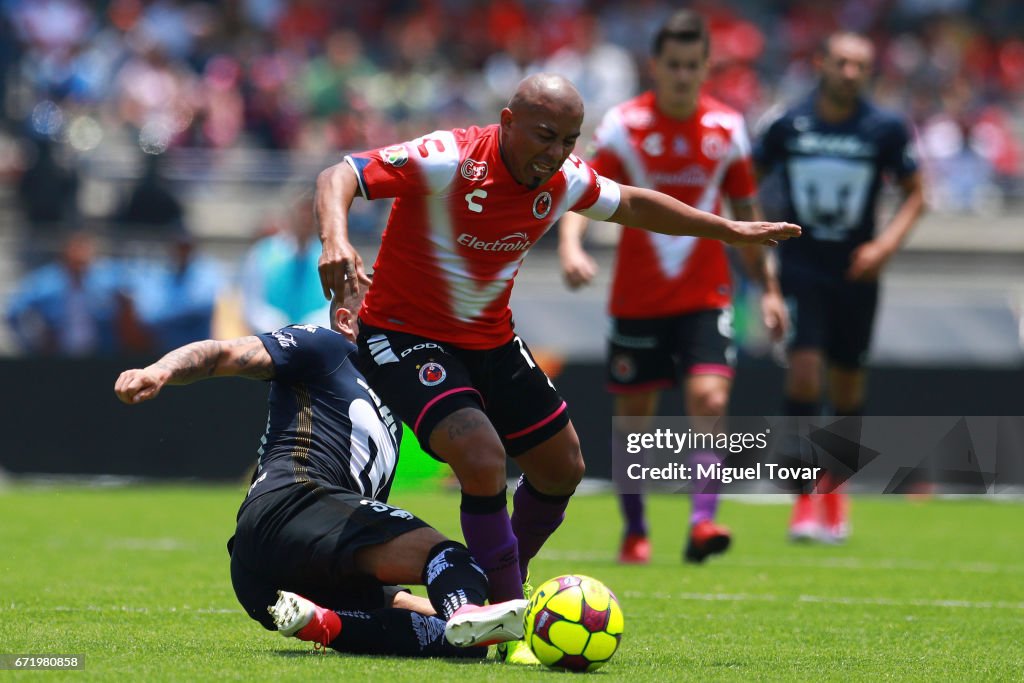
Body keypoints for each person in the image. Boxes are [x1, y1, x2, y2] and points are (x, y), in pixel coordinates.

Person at [314, 73, 800, 662]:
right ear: (508, 121)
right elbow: (339, 174)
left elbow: (635, 204)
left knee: (562, 466)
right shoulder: (450, 157)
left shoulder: (563, 179)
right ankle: (506, 613)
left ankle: (496, 592)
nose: (557, 153)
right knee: (482, 456)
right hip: (404, 335)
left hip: (491, 340)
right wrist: (335, 239)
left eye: (570, 140)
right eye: (546, 136)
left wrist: (724, 229)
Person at [113, 284, 528, 659]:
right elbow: (224, 353)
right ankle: (465, 609)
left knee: (462, 643)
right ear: (347, 320)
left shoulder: (398, 390)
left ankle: (328, 624)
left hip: (271, 577)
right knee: (452, 559)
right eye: (384, 303)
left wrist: (475, 613)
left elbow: (383, 584)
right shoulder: (325, 348)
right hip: (291, 504)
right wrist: (160, 370)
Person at [558, 10, 788, 565]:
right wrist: (571, 245)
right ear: (655, 66)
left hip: (706, 294)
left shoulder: (727, 130)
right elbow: (581, 189)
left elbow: (746, 214)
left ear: (706, 67)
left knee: (709, 399)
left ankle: (704, 521)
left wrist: (770, 288)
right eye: (674, 65)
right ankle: (635, 530)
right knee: (635, 420)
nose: (683, 75)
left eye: (693, 65)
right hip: (637, 299)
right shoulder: (625, 125)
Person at [754, 32, 925, 543]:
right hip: (802, 268)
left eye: (860, 65)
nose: (850, 72)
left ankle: (835, 493)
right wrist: (763, 236)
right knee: (804, 375)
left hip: (857, 271)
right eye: (842, 63)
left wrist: (885, 247)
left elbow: (917, 193)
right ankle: (803, 501)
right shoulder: (788, 123)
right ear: (821, 63)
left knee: (849, 388)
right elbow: (745, 185)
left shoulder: (885, 127)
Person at [239, 190, 329, 334]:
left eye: (310, 215)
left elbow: (332, 307)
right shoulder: (262, 253)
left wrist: (308, 329)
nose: (305, 220)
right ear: (291, 216)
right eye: (301, 213)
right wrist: (280, 329)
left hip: (314, 342)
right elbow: (252, 306)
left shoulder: (329, 257)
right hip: (271, 341)